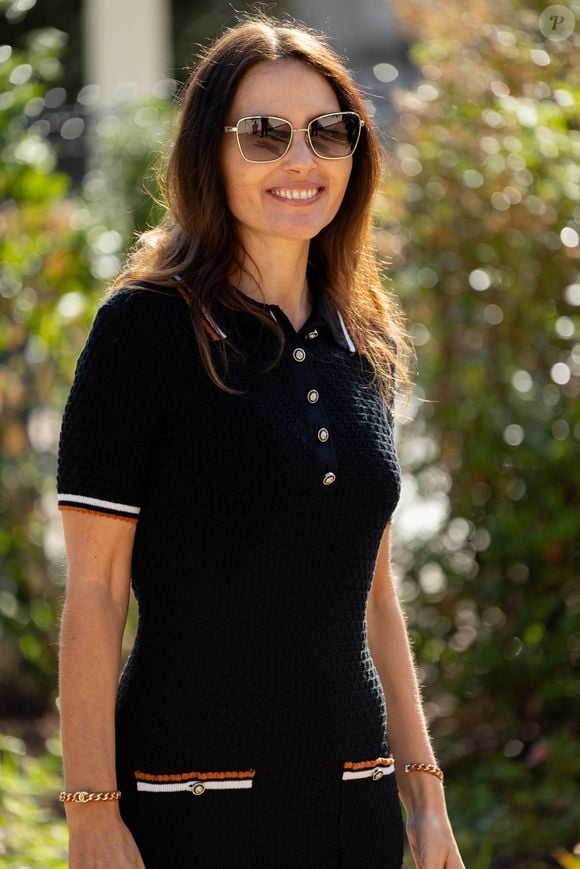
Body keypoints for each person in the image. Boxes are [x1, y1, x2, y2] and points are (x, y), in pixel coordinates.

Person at [56, 13, 466, 869]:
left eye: (328, 132)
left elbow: (376, 596)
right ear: (210, 151)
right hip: (190, 804)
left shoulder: (364, 341)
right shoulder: (144, 332)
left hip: (355, 803)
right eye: (264, 134)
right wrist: (93, 814)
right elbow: (95, 592)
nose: (301, 159)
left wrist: (425, 801)